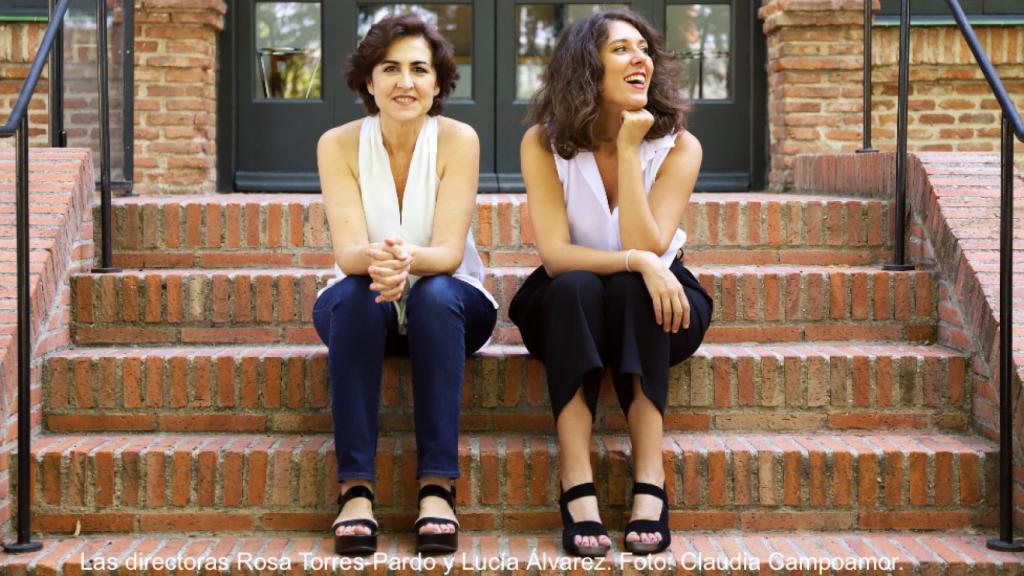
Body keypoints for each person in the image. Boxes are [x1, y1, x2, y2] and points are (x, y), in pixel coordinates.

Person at [509, 9, 713, 558]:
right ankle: (576, 482)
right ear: (586, 66)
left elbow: (651, 246)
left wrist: (628, 149)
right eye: (621, 49)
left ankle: (651, 479)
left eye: (643, 48)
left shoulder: (679, 146)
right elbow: (554, 255)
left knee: (631, 290)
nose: (640, 57)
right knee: (577, 285)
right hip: (570, 296)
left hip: (660, 303)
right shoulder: (543, 142)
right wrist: (640, 262)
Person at [313, 14, 497, 556]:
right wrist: (382, 267)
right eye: (389, 68)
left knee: (436, 293)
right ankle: (355, 491)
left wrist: (405, 261)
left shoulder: (458, 140)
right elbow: (347, 252)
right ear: (368, 81)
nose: (405, 81)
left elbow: (446, 252)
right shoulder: (337, 144)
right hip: (366, 300)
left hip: (450, 304)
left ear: (437, 83)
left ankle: (437, 486)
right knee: (352, 293)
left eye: (420, 69)